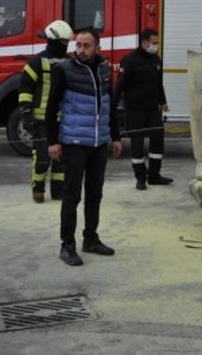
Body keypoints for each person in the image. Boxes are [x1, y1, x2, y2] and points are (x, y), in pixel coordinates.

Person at [46, 28, 123, 266]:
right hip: (74, 142)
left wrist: (116, 137)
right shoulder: (64, 70)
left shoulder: (104, 69)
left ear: (97, 48)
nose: (81, 50)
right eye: (78, 45)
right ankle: (67, 245)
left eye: (86, 46)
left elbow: (109, 104)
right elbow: (51, 107)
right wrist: (52, 141)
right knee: (71, 196)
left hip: (99, 143)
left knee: (94, 194)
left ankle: (90, 239)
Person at [18, 20, 72, 203]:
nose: (66, 45)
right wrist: (26, 113)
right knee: (42, 157)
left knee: (62, 158)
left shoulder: (70, 62)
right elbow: (25, 88)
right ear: (54, 40)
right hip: (41, 120)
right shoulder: (36, 62)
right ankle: (38, 189)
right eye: (64, 42)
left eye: (67, 42)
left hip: (64, 119)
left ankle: (58, 191)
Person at [113, 29, 172, 191]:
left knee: (158, 142)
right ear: (144, 42)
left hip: (153, 110)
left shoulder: (156, 60)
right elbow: (120, 86)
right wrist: (112, 106)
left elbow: (159, 84)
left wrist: (163, 102)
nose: (156, 46)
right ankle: (140, 178)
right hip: (135, 110)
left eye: (157, 43)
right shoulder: (130, 60)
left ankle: (154, 176)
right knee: (137, 145)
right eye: (154, 42)